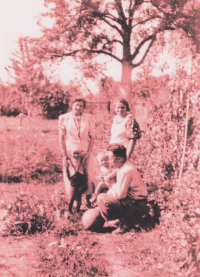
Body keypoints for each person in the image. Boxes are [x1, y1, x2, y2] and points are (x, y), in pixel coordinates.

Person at [97, 144, 148, 235]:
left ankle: (127, 224)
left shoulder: (125, 171)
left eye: (110, 158)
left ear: (119, 159)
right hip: (136, 202)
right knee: (107, 196)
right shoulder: (124, 166)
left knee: (102, 198)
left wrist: (111, 187)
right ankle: (124, 220)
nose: (108, 161)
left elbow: (120, 195)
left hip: (137, 205)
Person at [58, 98, 95, 207]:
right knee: (73, 176)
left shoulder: (88, 119)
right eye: (76, 105)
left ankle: (88, 201)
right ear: (72, 105)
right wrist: (65, 155)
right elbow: (61, 138)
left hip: (85, 149)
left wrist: (89, 152)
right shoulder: (64, 118)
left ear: (83, 107)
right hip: (71, 151)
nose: (78, 107)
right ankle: (73, 202)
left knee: (88, 174)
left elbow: (92, 137)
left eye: (81, 106)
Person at [66, 145, 88, 213]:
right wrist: (69, 179)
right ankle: (69, 210)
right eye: (74, 153)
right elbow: (67, 172)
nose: (76, 155)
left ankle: (78, 210)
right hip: (73, 181)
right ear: (71, 154)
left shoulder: (81, 160)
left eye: (77, 153)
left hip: (80, 180)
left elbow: (85, 170)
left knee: (79, 197)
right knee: (72, 197)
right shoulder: (69, 161)